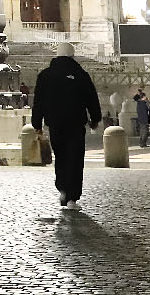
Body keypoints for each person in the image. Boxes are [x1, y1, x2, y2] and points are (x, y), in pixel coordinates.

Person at [29, 44, 102, 211]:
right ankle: (72, 197)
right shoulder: (81, 75)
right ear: (72, 56)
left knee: (60, 157)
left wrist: (37, 124)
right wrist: (95, 118)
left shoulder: (45, 75)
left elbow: (38, 102)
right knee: (75, 159)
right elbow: (91, 97)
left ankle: (62, 188)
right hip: (76, 123)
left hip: (55, 123)